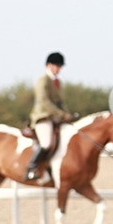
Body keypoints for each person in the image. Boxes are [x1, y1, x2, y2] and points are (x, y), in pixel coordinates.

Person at [25, 52, 76, 181]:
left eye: (60, 66)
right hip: (43, 117)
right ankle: (32, 167)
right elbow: (44, 101)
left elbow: (61, 103)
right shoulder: (43, 81)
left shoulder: (58, 82)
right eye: (56, 65)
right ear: (48, 65)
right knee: (46, 143)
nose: (58, 68)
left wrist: (68, 115)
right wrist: (62, 114)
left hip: (55, 118)